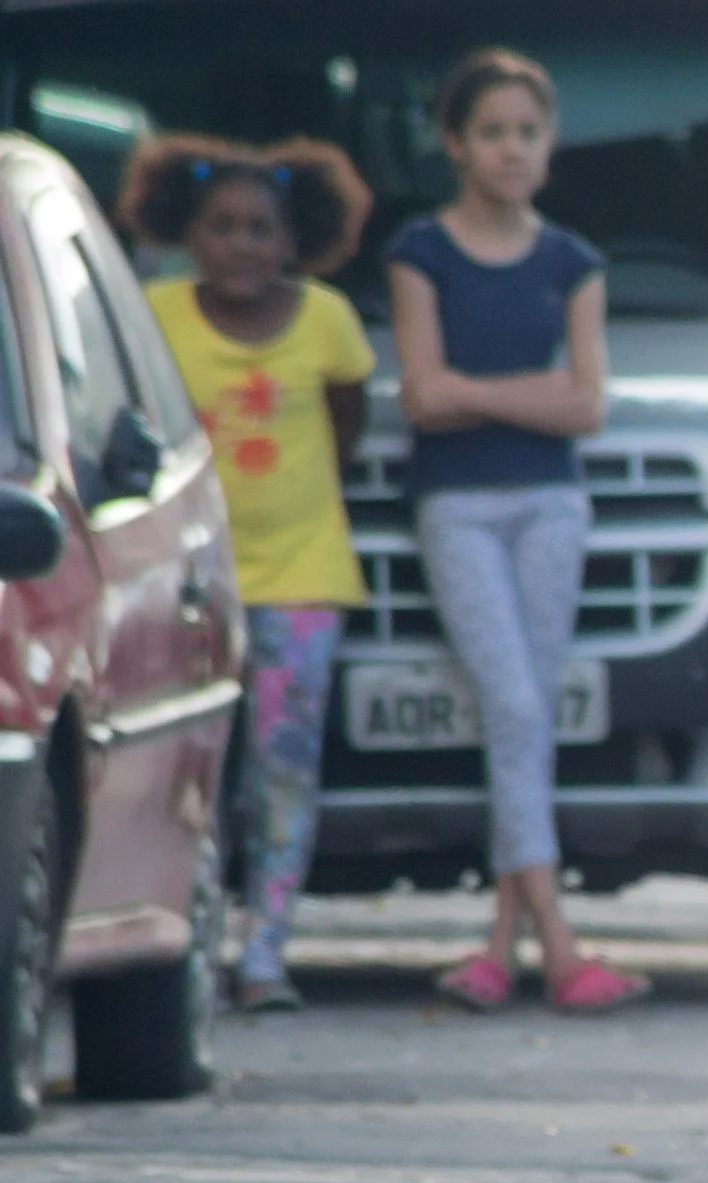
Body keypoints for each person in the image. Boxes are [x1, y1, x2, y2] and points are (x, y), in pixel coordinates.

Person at [388, 47, 645, 1013]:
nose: (512, 150)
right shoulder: (422, 251)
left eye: (527, 133)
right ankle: (562, 944)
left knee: (526, 709)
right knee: (517, 704)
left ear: (549, 146)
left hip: (551, 506)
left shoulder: (571, 263)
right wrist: (527, 393)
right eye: (492, 132)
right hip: (457, 505)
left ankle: (499, 946)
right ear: (456, 144)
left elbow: (585, 409)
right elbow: (421, 398)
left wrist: (476, 394)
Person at [124, 136, 376, 1013]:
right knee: (183, 772)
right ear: (185, 232)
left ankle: (265, 949)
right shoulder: (154, 315)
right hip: (185, 584)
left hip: (301, 580)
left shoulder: (327, 322)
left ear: (294, 238)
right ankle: (178, 941)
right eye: (222, 227)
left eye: (261, 229)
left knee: (284, 771)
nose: (242, 245)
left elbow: (347, 426)